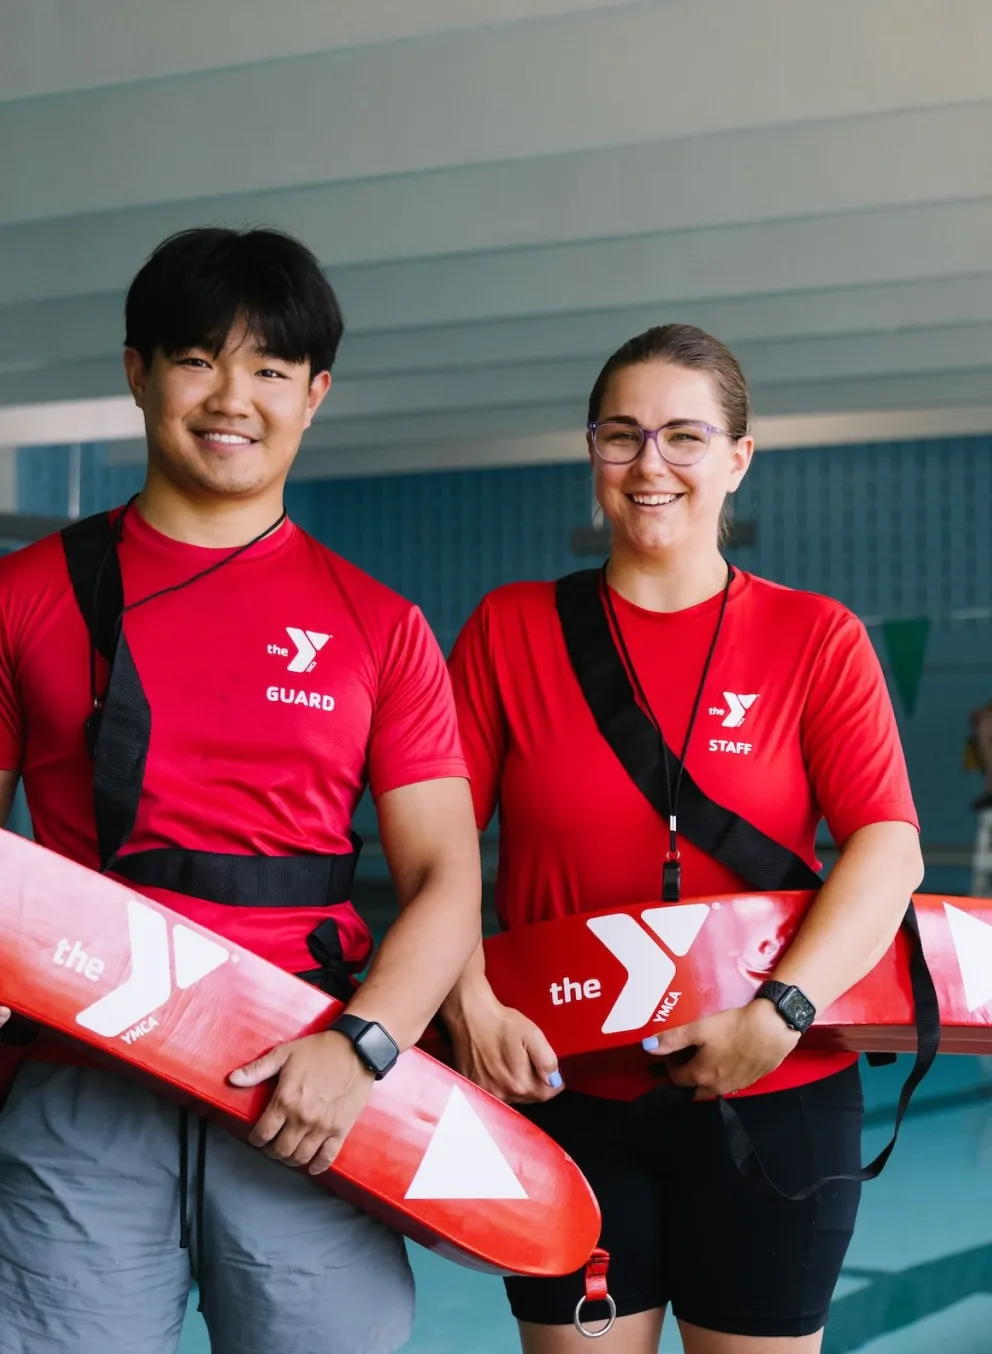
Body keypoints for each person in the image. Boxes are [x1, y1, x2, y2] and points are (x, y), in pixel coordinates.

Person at [0, 227, 482, 1354]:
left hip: (309, 1081)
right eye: (196, 358)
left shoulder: (378, 623)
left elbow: (446, 877)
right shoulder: (28, 596)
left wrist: (363, 1045)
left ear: (314, 395)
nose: (232, 396)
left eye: (268, 368)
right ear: (137, 372)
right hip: (83, 1078)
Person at [442, 324, 924, 1354]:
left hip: (775, 1084)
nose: (647, 464)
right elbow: (433, 847)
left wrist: (781, 1012)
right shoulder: (508, 629)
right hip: (559, 1085)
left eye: (682, 436)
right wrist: (468, 1003)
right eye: (620, 436)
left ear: (737, 457)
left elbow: (886, 844)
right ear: (589, 452)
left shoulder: (814, 637)